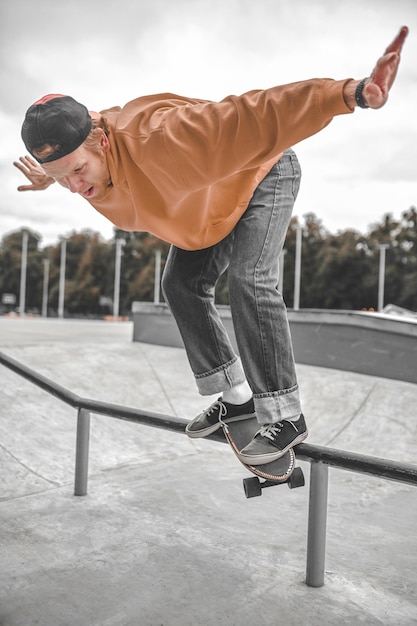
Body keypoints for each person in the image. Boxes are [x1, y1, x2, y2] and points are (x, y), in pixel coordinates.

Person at [14, 27, 408, 465]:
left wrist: (352, 93)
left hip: (264, 174)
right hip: (208, 205)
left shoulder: (164, 137)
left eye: (79, 171)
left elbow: (256, 112)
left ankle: (285, 412)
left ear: (104, 142)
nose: (75, 187)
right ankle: (236, 396)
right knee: (180, 284)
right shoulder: (80, 157)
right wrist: (49, 178)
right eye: (60, 178)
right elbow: (71, 161)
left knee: (249, 279)